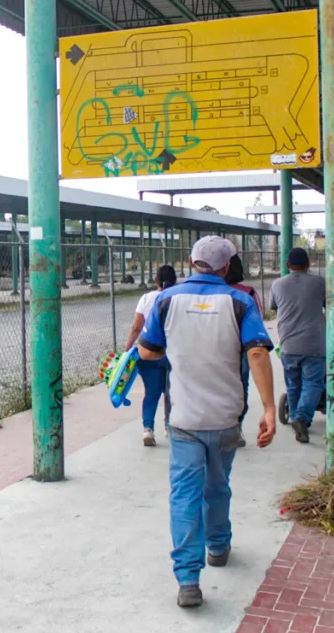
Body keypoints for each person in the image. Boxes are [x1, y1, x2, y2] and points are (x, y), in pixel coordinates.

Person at [137, 236, 276, 608]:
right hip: (226, 415)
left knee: (184, 494)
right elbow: (258, 352)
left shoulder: (166, 300)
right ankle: (218, 546)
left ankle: (187, 580)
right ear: (227, 267)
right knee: (218, 486)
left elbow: (148, 350)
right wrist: (269, 410)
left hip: (183, 416)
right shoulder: (240, 301)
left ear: (190, 262)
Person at [268, 247, 326, 444]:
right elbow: (329, 304)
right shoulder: (319, 282)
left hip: (288, 344)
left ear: (287, 265)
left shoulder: (277, 284)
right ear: (308, 264)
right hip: (314, 344)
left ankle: (294, 418)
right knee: (314, 383)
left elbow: (274, 307)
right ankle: (301, 418)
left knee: (293, 384)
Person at [124, 265, 177, 446]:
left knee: (151, 393)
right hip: (172, 353)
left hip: (147, 353)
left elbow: (136, 327)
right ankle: (169, 426)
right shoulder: (178, 297)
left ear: (155, 281)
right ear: (175, 280)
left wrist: (127, 350)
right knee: (171, 393)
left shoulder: (146, 298)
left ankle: (148, 429)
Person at [224, 253, 263, 448]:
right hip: (241, 350)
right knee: (241, 387)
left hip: (213, 348)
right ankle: (236, 427)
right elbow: (259, 320)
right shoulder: (248, 293)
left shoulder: (210, 291)